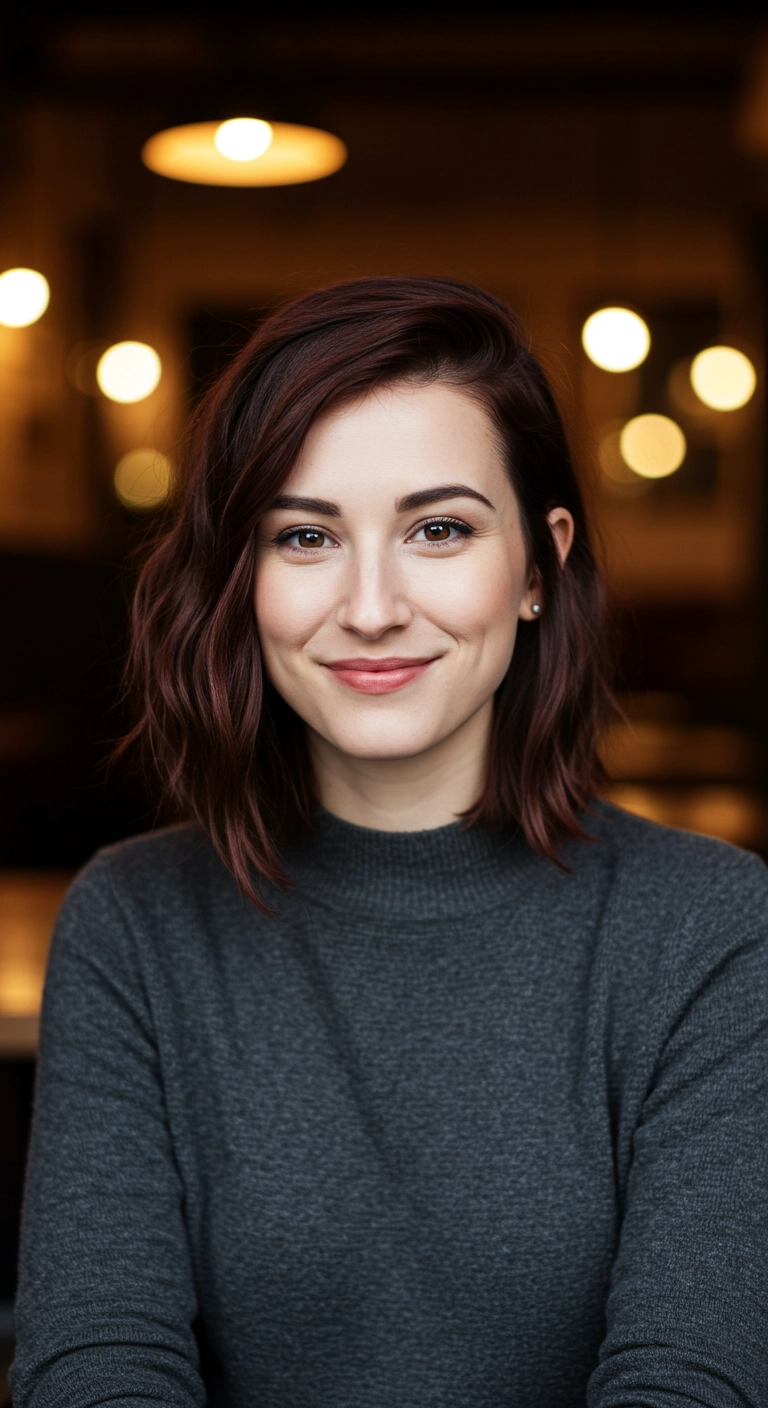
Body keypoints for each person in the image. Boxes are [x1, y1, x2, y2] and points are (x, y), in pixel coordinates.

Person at [10, 277, 768, 1407]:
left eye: (439, 529)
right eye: (306, 535)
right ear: (242, 576)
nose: (371, 607)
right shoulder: (134, 921)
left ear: (540, 565)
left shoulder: (707, 924)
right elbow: (98, 1363)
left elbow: (691, 1379)